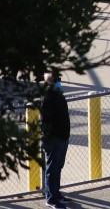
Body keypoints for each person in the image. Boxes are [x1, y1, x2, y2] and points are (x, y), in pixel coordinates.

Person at [41, 70, 69, 208]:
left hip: (63, 137)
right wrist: (50, 137)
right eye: (56, 80)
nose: (59, 82)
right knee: (52, 168)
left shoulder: (59, 95)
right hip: (54, 139)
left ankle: (56, 193)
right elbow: (45, 121)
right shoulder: (47, 97)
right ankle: (50, 198)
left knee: (58, 167)